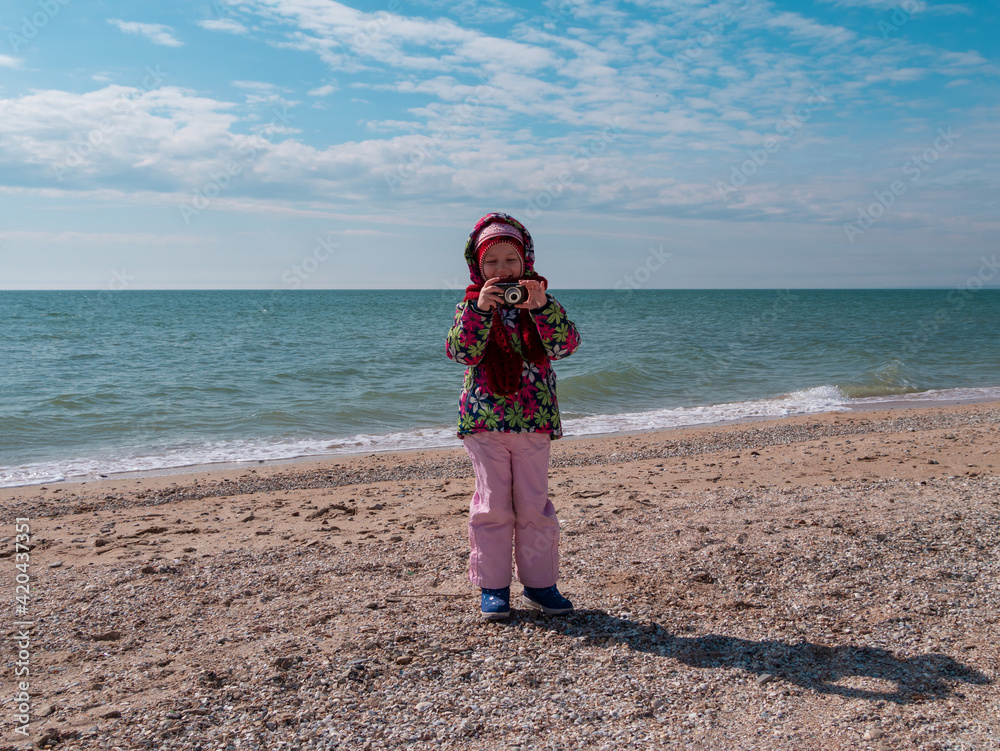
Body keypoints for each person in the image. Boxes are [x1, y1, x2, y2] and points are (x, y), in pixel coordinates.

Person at [446, 212, 581, 620]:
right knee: (492, 506)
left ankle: (541, 585)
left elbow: (565, 346)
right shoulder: (471, 305)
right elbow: (462, 353)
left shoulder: (541, 300)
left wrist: (541, 308)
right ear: (477, 266)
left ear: (526, 261)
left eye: (510, 260)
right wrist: (480, 312)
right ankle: (494, 588)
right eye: (492, 262)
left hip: (533, 421)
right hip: (484, 423)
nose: (502, 270)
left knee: (533, 505)